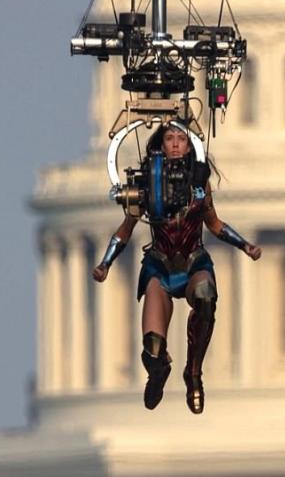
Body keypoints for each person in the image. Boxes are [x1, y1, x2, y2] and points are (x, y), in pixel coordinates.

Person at [92, 122, 261, 414]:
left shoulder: (199, 185)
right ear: (160, 144)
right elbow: (126, 229)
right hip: (160, 266)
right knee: (153, 347)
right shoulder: (147, 185)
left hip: (194, 261)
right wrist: (105, 263)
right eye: (169, 138)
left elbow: (215, 224)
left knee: (206, 298)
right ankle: (158, 372)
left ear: (189, 145)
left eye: (181, 139)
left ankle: (193, 374)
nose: (174, 144)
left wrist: (245, 245)